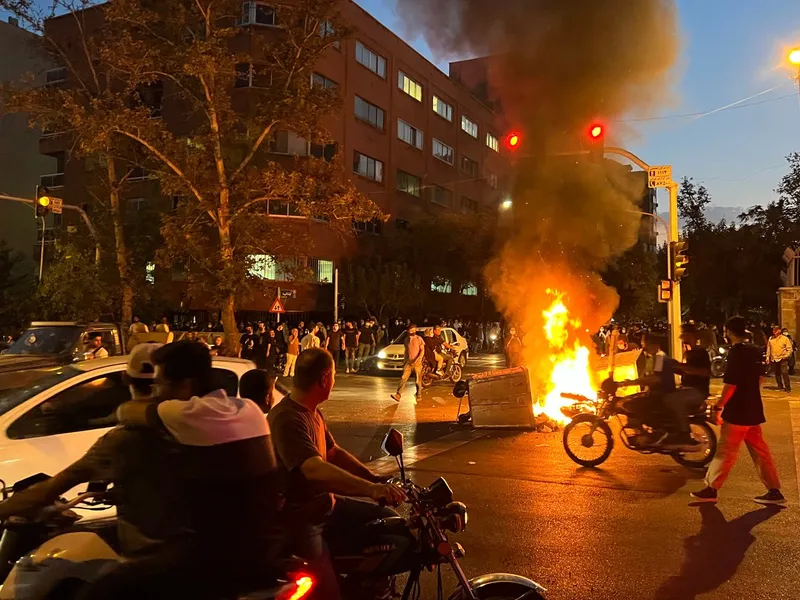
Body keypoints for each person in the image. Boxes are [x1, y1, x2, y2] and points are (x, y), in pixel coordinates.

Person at [104, 341, 284, 599]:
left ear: (186, 384)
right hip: (267, 550)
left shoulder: (183, 413)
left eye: (161, 384)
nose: (157, 392)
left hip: (216, 561)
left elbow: (127, 411)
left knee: (106, 589)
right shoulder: (250, 409)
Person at [268, 348, 406, 600]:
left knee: (389, 522)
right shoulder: (288, 418)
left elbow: (332, 452)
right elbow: (313, 468)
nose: (334, 381)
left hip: (327, 506)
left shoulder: (311, 411)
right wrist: (371, 490)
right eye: (333, 376)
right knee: (328, 593)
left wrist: (374, 479)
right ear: (323, 379)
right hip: (304, 518)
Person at [691, 317, 785, 505]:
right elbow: (760, 379)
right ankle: (774, 490)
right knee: (760, 451)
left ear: (729, 332)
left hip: (737, 412)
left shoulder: (736, 353)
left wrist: (719, 405)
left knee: (725, 451)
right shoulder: (755, 350)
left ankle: (711, 488)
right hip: (753, 409)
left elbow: (731, 384)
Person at [664, 324, 711, 446]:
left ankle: (684, 433)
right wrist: (672, 367)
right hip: (686, 389)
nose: (682, 338)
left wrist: (682, 367)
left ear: (691, 335)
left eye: (684, 335)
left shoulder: (700, 352)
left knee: (672, 400)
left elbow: (704, 372)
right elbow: (685, 371)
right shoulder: (688, 353)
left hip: (697, 391)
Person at [391, 324, 424, 404]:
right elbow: (406, 351)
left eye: (414, 330)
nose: (412, 331)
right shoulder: (406, 340)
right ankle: (398, 395)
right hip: (408, 362)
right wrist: (404, 361)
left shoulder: (419, 339)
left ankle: (419, 394)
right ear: (408, 331)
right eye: (411, 330)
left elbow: (422, 350)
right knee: (403, 378)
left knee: (417, 380)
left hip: (417, 363)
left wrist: (419, 358)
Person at [766, 326, 793, 392]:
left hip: (782, 358)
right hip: (774, 358)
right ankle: (780, 386)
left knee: (784, 373)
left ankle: (787, 388)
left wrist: (786, 355)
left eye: (776, 330)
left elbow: (789, 349)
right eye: (773, 330)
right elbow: (769, 348)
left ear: (779, 331)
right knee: (777, 373)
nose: (774, 331)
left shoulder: (785, 339)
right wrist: (767, 357)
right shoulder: (771, 338)